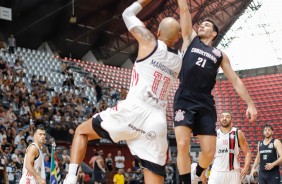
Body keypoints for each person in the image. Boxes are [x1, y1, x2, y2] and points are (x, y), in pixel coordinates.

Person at [63, 0, 182, 183]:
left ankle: (70, 179)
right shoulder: (180, 59)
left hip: (133, 109)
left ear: (158, 32)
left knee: (81, 132)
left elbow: (128, 13)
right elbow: (189, 36)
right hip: (157, 120)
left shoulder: (150, 41)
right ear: (177, 38)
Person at [174, 0, 257, 183]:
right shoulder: (190, 39)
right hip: (185, 97)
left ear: (214, 33)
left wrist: (250, 103)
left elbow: (235, 80)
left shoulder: (219, 55)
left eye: (206, 25)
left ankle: (197, 172)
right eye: (201, 24)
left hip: (205, 101)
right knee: (182, 144)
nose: (201, 25)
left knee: (210, 151)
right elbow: (184, 9)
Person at [207, 111, 251, 184]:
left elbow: (247, 152)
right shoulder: (214, 134)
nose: (224, 118)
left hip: (233, 173)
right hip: (216, 172)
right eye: (222, 117)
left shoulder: (238, 133)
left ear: (231, 119)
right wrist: (203, 170)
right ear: (219, 120)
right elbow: (208, 154)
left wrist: (246, 167)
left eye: (227, 117)